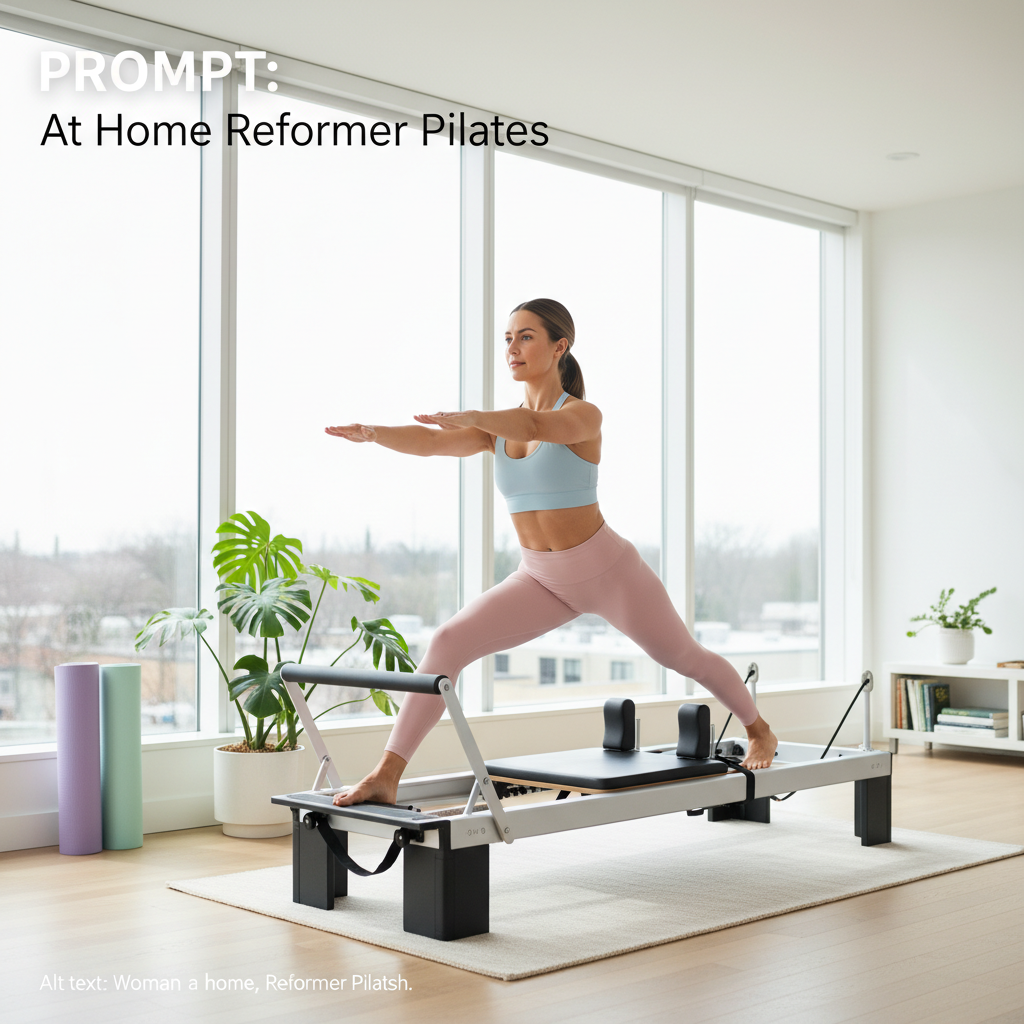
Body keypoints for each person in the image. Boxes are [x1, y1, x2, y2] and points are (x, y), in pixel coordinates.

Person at [325, 298, 777, 807]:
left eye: (525, 336)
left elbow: (537, 428)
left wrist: (475, 415)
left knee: (683, 657)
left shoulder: (582, 415)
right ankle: (387, 774)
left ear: (560, 345)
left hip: (608, 570)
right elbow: (432, 443)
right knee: (448, 641)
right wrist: (372, 434)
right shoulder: (497, 429)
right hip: (540, 578)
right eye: (508, 338)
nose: (512, 347)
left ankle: (760, 730)